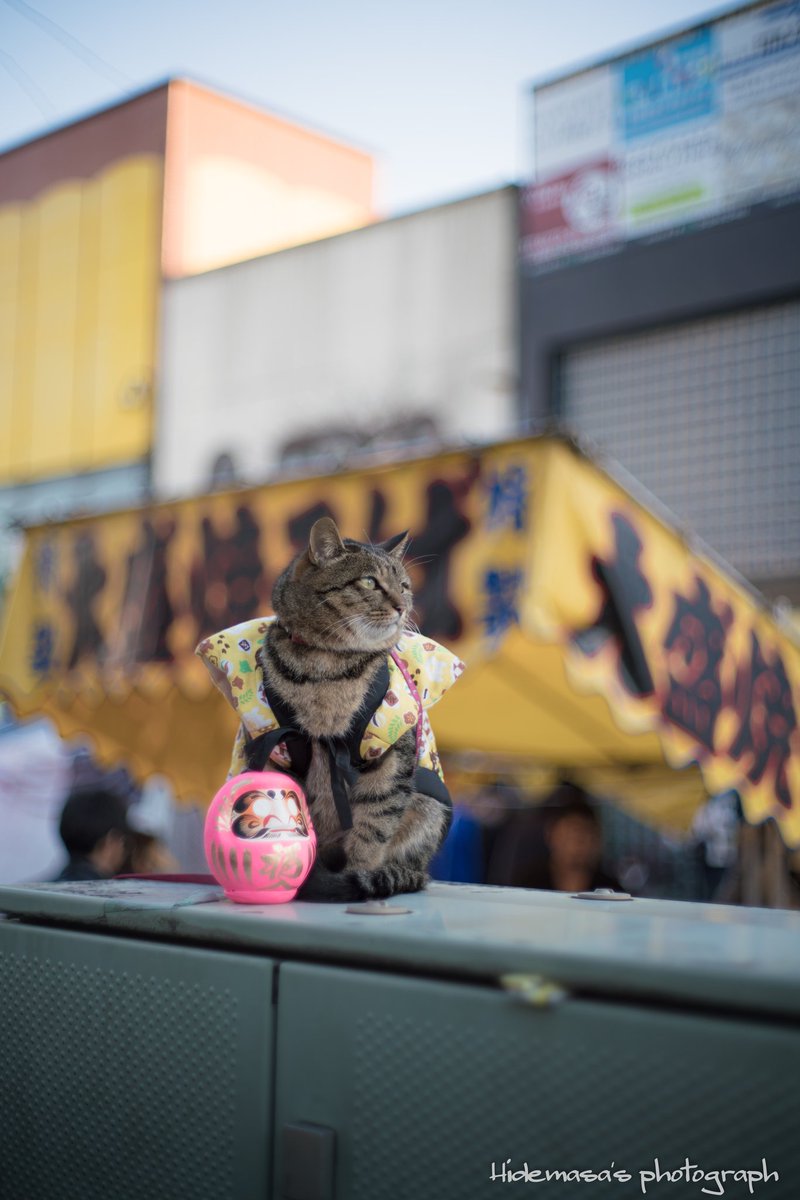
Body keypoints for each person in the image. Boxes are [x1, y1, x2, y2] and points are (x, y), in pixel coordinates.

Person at [54, 786, 131, 882]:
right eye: (123, 840)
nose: (124, 850)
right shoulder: (113, 890)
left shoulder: (43, 887)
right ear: (110, 839)